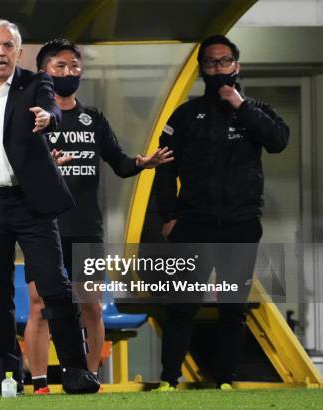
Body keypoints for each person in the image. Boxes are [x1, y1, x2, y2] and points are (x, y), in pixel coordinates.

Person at [0, 20, 99, 394]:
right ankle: (9, 378)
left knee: (55, 287)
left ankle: (75, 371)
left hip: (31, 205)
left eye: (8, 45)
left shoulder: (36, 83)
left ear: (18, 51)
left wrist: (48, 118)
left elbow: (51, 109)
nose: (1, 52)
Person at [24, 39, 173, 393]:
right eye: (60, 66)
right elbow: (17, 171)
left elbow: (120, 163)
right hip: (44, 228)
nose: (69, 72)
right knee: (40, 304)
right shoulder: (31, 117)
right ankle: (41, 382)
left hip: (87, 228)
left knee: (91, 304)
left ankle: (88, 377)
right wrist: (47, 167)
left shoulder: (94, 118)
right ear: (44, 71)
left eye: (74, 66)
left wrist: (142, 163)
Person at [153, 34, 289, 390]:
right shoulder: (185, 116)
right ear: (202, 69)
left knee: (233, 307)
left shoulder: (255, 111)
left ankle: (224, 381)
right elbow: (164, 168)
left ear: (236, 66)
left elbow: (278, 141)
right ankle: (170, 379)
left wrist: (240, 105)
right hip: (193, 225)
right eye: (211, 63)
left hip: (240, 226)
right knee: (182, 306)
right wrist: (168, 217)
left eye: (224, 61)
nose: (218, 68)